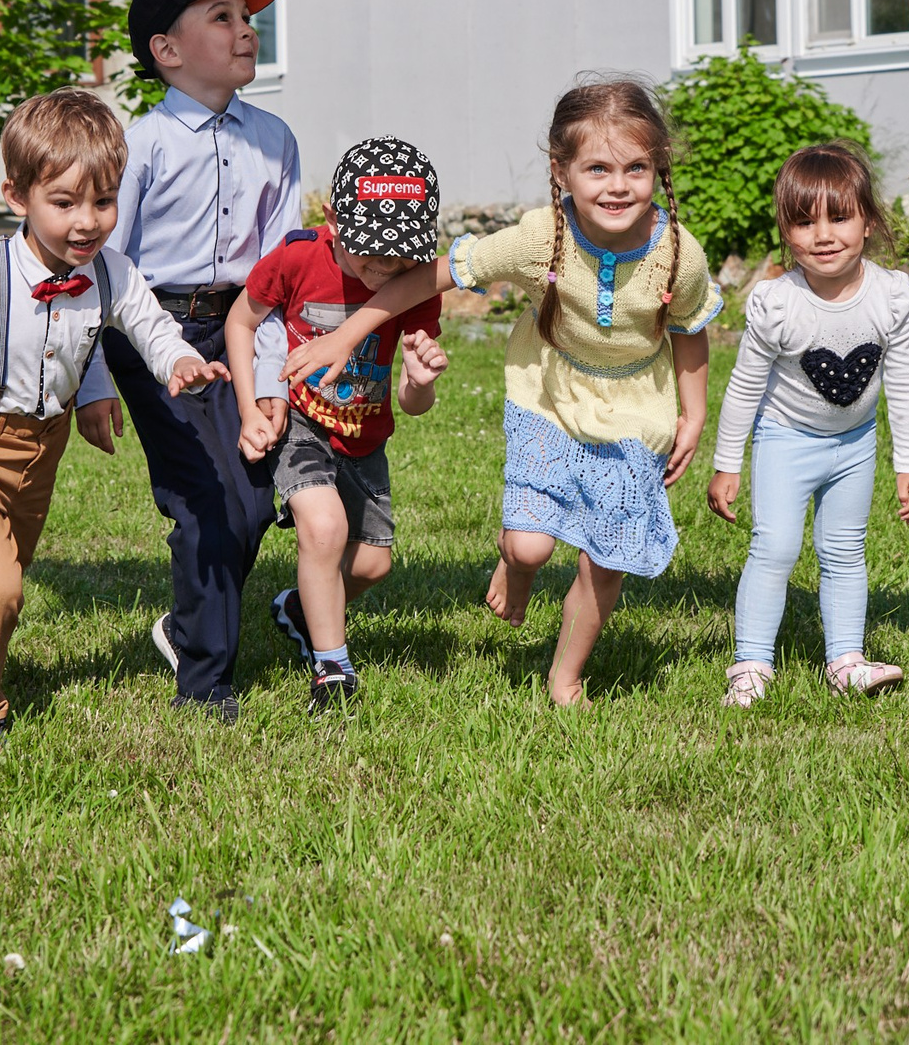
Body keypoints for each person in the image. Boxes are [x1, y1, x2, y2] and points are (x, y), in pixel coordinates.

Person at [285, 79, 718, 706]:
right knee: (530, 543)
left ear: (658, 168)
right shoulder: (541, 236)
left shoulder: (680, 254)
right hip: (547, 391)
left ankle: (565, 677)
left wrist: (694, 413)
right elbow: (436, 275)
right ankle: (515, 567)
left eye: (636, 168)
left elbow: (691, 331)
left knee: (606, 558)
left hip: (636, 411)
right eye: (597, 168)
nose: (617, 185)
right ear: (562, 170)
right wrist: (343, 336)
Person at [0, 89, 225, 743]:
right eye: (65, 202)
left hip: (39, 445)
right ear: (17, 196)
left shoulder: (111, 272)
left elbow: (145, 325)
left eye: (103, 201)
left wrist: (173, 363)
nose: (87, 221)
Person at [73, 0, 298, 722]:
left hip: (240, 327)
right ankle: (206, 683)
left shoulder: (274, 138)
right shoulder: (137, 145)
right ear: (166, 50)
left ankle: (183, 626)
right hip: (151, 333)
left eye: (247, 15)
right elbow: (101, 268)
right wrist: (95, 380)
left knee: (257, 495)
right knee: (203, 500)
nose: (246, 28)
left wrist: (268, 383)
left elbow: (275, 276)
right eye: (223, 16)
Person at [226, 138, 450, 714]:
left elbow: (413, 402)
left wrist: (420, 381)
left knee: (374, 563)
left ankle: (300, 607)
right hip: (300, 420)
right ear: (331, 217)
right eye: (367, 252)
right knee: (323, 529)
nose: (380, 268)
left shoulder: (417, 284)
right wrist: (252, 407)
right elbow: (241, 322)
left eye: (395, 258)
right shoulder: (299, 257)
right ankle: (332, 670)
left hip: (364, 433)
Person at [706, 143, 909, 707]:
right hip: (785, 440)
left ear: (869, 221)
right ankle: (751, 664)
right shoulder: (778, 304)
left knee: (845, 552)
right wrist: (727, 462)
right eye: (804, 222)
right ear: (786, 230)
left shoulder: (893, 296)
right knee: (775, 548)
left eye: (839, 217)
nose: (823, 235)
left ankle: (845, 661)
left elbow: (904, 383)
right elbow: (745, 387)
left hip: (855, 444)